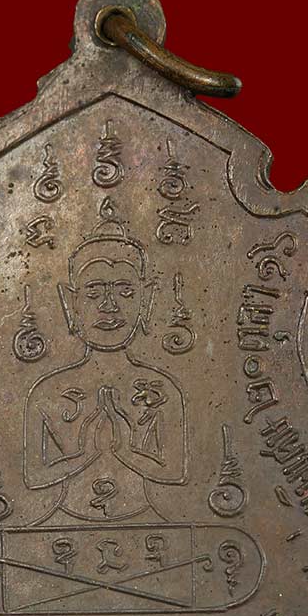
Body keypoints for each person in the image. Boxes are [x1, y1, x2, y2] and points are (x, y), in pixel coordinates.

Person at [24, 203, 187, 522]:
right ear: (70, 302)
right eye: (94, 292)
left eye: (125, 291)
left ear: (146, 299)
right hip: (59, 528)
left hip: (151, 527)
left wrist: (124, 451)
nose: (109, 306)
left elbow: (175, 473)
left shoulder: (162, 389)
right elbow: (33, 478)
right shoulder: (47, 391)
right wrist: (86, 453)